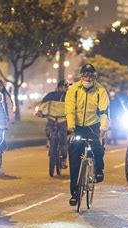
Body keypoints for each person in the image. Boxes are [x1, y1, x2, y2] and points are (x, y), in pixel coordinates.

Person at [65, 64, 109, 206]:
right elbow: (70, 110)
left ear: (95, 77)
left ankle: (99, 169)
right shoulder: (73, 90)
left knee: (97, 148)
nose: (88, 78)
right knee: (74, 158)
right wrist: (71, 127)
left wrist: (103, 128)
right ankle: (75, 193)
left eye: (91, 76)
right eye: (85, 75)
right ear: (81, 75)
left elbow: (104, 112)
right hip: (77, 127)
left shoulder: (100, 91)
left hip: (94, 126)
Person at [36, 79, 70, 168]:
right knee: (48, 131)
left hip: (63, 120)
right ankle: (50, 142)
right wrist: (40, 111)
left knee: (63, 138)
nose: (66, 88)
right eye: (65, 87)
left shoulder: (69, 97)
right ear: (59, 87)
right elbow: (43, 103)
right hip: (52, 119)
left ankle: (63, 159)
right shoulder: (51, 95)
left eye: (67, 87)